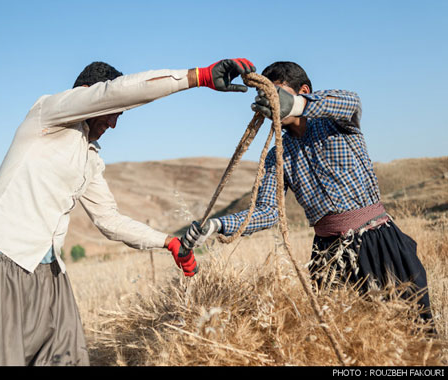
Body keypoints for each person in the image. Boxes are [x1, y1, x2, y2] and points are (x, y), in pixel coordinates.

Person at [0, 58, 256, 366]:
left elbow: (108, 219)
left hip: (48, 272)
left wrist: (167, 242)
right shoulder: (47, 113)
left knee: (68, 359)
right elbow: (116, 92)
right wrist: (197, 76)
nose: (114, 123)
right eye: (111, 113)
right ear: (86, 95)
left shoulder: (89, 156)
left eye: (119, 115)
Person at [184, 61, 434, 327]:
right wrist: (218, 225)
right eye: (266, 98)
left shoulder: (337, 123)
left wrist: (298, 105)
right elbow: (268, 212)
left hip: (379, 240)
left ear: (303, 90)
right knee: (344, 338)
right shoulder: (276, 157)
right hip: (327, 255)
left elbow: (351, 101)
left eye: (277, 94)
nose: (272, 104)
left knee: (412, 330)